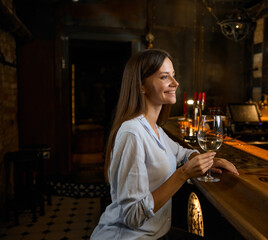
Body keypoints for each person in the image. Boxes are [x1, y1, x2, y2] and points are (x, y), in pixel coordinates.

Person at [90, 49, 239, 240]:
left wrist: (211, 160)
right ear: (141, 85)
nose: (175, 83)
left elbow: (184, 153)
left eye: (173, 76)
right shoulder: (132, 133)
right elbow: (132, 216)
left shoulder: (156, 130)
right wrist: (183, 173)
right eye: (164, 77)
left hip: (158, 233)